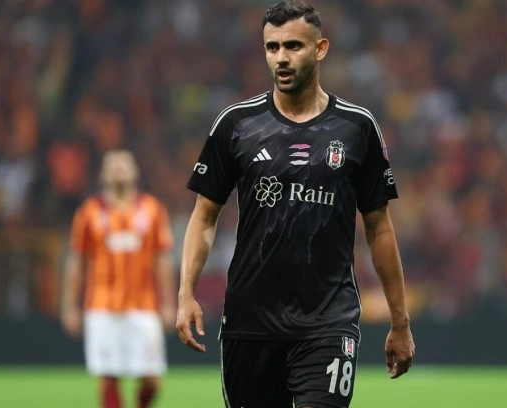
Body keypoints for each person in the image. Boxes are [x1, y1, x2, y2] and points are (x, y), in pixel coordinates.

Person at [176, 1, 415, 407]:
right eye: (272, 47)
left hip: (328, 321)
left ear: (320, 49)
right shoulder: (236, 125)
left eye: (293, 46)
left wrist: (400, 321)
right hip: (250, 323)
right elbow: (204, 218)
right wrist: (185, 293)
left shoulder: (357, 128)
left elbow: (379, 227)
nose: (281, 58)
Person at [61, 149, 176, 408]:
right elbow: (76, 261)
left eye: (124, 164)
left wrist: (169, 303)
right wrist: (70, 306)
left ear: (135, 171)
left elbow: (163, 260)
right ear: (102, 174)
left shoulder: (153, 210)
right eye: (112, 165)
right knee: (108, 377)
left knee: (152, 379)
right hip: (102, 306)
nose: (118, 169)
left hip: (144, 306)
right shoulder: (88, 212)